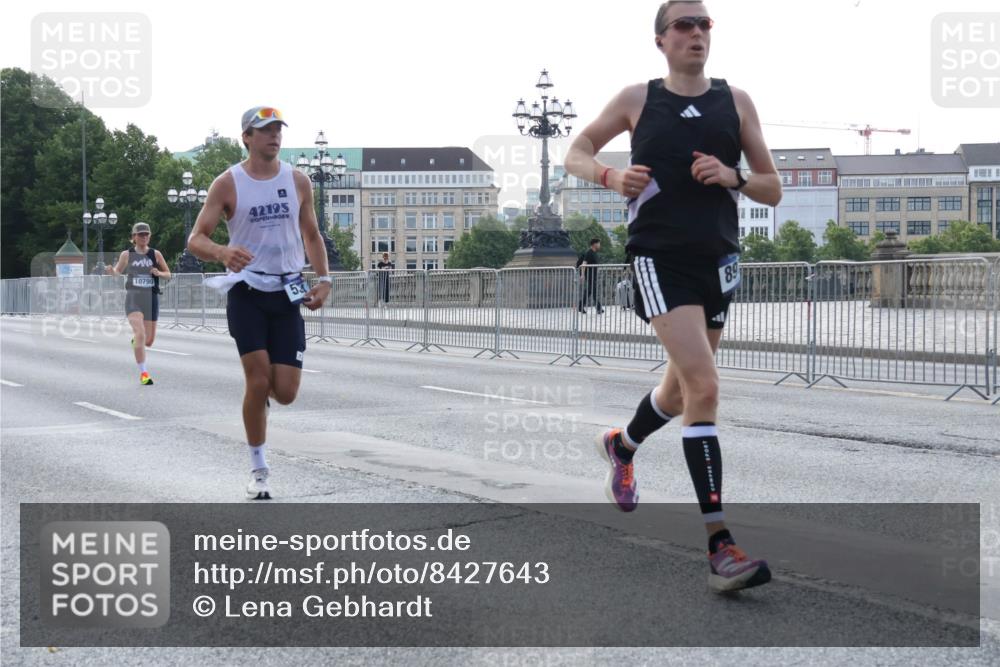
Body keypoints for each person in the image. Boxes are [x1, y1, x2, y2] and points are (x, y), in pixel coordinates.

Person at [565, 0, 782, 592]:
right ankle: (720, 546)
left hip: (718, 258)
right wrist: (610, 176)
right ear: (660, 40)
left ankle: (622, 443)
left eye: (704, 23)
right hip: (658, 257)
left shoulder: (735, 102)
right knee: (706, 386)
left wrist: (734, 176)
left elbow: (773, 189)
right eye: (683, 25)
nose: (696, 32)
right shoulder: (639, 99)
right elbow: (576, 150)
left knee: (681, 388)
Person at [188, 106, 332, 500]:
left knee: (284, 391)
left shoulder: (299, 180)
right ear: (246, 138)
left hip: (287, 293)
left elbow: (313, 235)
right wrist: (222, 252)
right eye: (264, 130)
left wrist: (324, 280)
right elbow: (195, 238)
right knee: (257, 380)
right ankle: (259, 469)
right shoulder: (228, 183)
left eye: (277, 129)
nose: (274, 136)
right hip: (247, 293)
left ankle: (262, 402)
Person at [108, 222, 171, 385]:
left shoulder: (155, 254)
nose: (144, 237)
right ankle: (144, 374)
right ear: (134, 237)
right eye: (140, 234)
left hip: (150, 298)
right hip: (134, 297)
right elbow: (117, 272)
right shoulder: (126, 254)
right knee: (141, 333)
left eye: (146, 234)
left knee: (148, 341)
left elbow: (168, 274)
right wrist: (111, 272)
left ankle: (136, 341)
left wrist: (159, 273)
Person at [577, 238, 604, 314]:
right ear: (594, 244)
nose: (599, 245)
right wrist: (582, 275)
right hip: (590, 275)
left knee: (589, 291)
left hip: (593, 275)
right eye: (599, 243)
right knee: (594, 291)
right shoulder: (589, 252)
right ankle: (598, 308)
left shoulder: (594, 253)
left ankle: (580, 306)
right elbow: (584, 263)